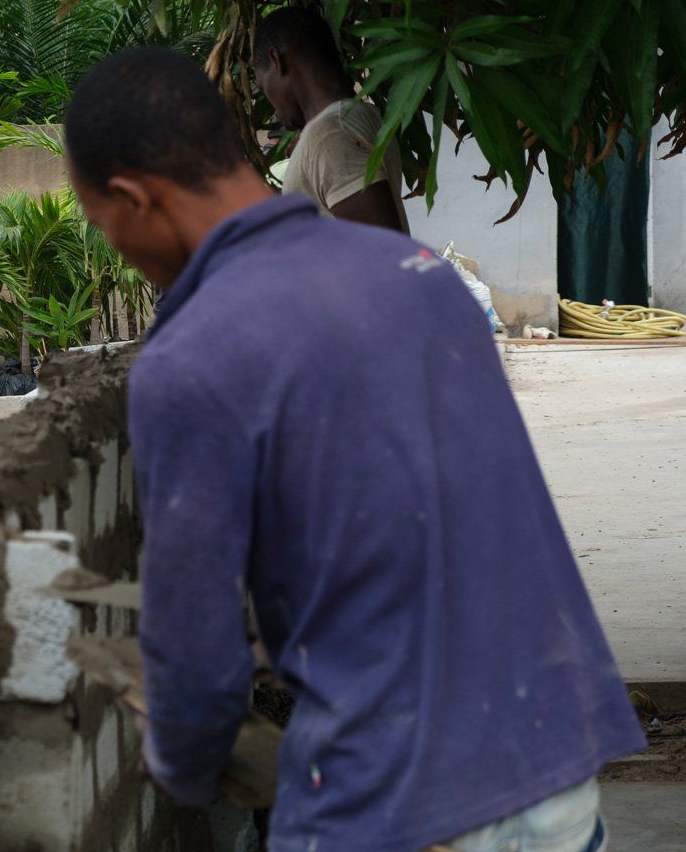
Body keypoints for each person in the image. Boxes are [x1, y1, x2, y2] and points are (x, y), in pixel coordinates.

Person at [62, 46, 642, 852]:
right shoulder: (420, 277)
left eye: (102, 224)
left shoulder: (193, 356)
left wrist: (184, 761)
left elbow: (191, 652)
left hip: (397, 797)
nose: (115, 247)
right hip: (551, 769)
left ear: (132, 197)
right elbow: (424, 515)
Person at [253, 5, 409, 233]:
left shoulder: (330, 134)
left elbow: (385, 256)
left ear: (276, 60)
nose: (270, 101)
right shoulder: (361, 117)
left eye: (262, 85)